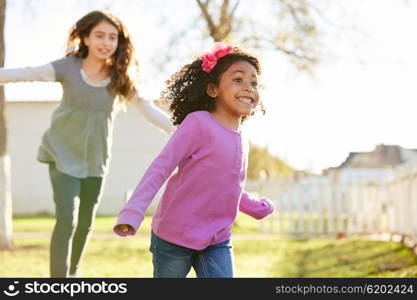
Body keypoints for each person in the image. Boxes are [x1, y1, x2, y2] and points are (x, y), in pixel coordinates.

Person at [0, 10, 175, 278]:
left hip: (96, 158)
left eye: (112, 37)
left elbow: (146, 109)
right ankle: (58, 281)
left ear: (119, 42)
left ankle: (73, 275)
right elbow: (26, 73)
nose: (106, 43)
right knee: (66, 219)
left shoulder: (119, 77)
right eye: (99, 36)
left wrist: (180, 132)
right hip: (61, 153)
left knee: (85, 223)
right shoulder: (68, 67)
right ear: (85, 37)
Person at [114, 42, 275, 278]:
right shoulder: (198, 123)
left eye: (254, 82)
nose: (249, 87)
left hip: (217, 238)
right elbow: (161, 168)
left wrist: (256, 208)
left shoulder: (242, 139)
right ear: (212, 89)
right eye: (238, 80)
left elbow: (229, 186)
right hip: (174, 235)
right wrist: (133, 212)